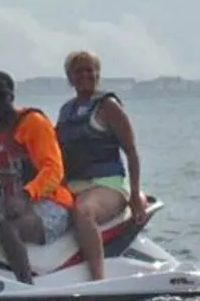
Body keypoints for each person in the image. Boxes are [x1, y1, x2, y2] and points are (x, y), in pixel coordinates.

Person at [0, 70, 74, 284]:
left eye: (0, 95)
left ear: (11, 97)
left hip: (52, 204)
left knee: (6, 228)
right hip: (12, 206)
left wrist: (26, 195)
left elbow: (54, 169)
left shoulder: (32, 123)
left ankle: (26, 288)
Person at [55, 50, 146, 281]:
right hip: (72, 186)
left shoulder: (108, 106)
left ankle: (98, 279)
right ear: (70, 78)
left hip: (107, 185)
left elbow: (131, 151)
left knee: (83, 212)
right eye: (79, 71)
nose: (86, 75)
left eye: (90, 70)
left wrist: (134, 193)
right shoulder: (66, 111)